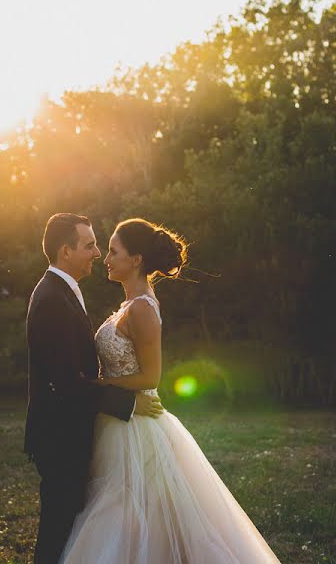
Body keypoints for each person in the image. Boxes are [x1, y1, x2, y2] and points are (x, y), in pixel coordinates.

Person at [59, 218, 282, 563]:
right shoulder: (129, 305)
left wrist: (99, 385)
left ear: (135, 260)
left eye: (114, 252)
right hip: (116, 420)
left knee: (127, 509)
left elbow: (151, 377)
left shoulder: (144, 308)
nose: (106, 258)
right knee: (128, 511)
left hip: (137, 427)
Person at [23, 213, 165, 564]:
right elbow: (70, 383)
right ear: (65, 251)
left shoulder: (63, 292)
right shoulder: (54, 299)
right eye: (89, 246)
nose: (98, 254)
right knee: (59, 529)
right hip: (60, 436)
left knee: (77, 524)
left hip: (82, 430)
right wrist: (125, 404)